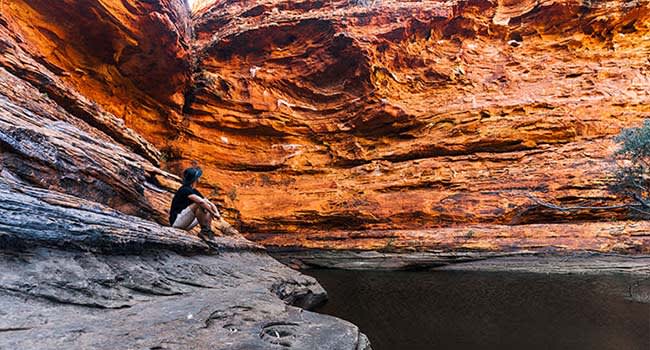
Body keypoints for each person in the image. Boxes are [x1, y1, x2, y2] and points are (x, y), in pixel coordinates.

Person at [169, 166, 220, 241]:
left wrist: (217, 213)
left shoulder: (194, 191)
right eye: (198, 177)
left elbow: (210, 203)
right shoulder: (185, 189)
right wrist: (212, 213)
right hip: (177, 223)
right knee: (199, 204)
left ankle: (207, 231)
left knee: (207, 206)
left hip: (186, 223)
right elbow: (200, 202)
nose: (200, 178)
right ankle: (205, 231)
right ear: (195, 179)